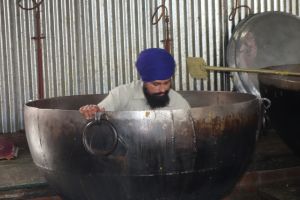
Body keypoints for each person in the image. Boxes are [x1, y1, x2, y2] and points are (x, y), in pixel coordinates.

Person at [79, 48, 191, 119]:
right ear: (144, 81)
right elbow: (97, 113)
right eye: (156, 84)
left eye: (166, 83)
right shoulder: (122, 94)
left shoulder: (179, 103)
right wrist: (91, 111)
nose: (162, 90)